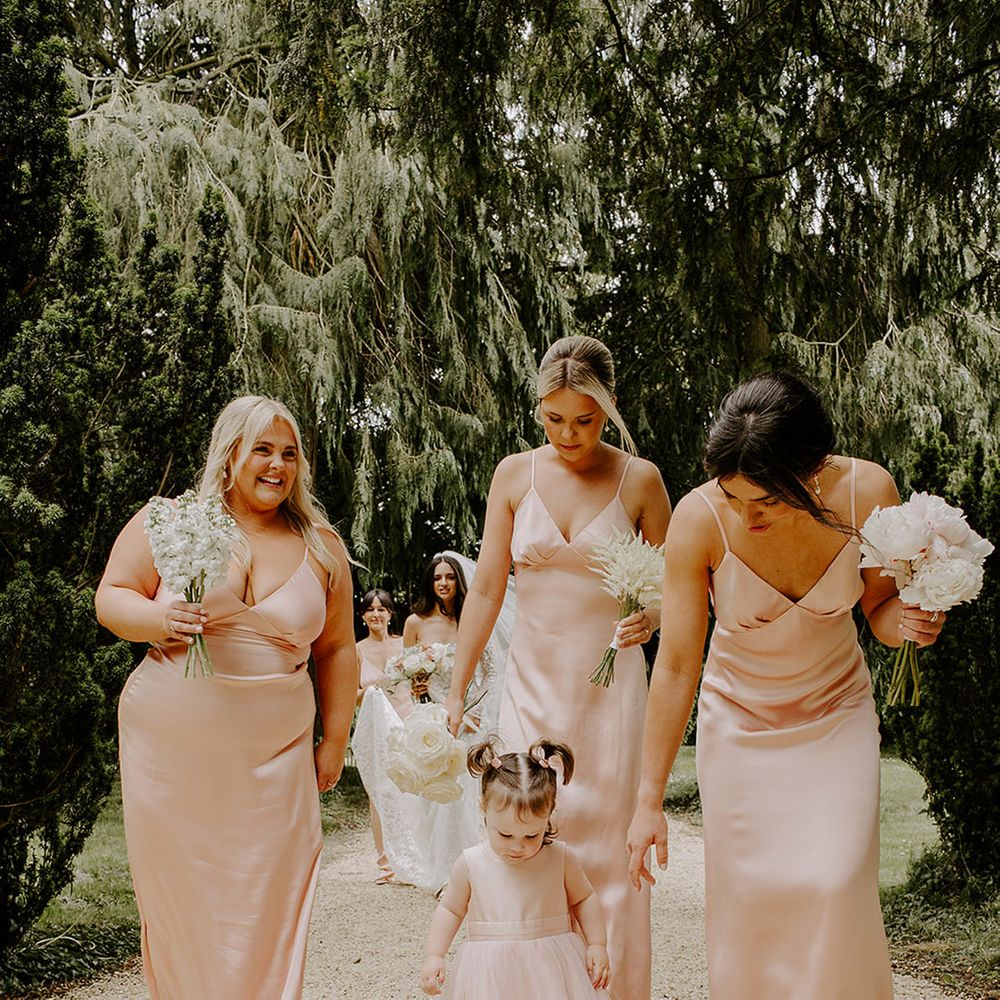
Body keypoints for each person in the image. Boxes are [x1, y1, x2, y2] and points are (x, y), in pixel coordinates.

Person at [626, 372, 947, 999]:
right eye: (734, 496)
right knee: (753, 906)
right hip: (738, 727)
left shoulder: (867, 490)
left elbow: (878, 613)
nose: (747, 516)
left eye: (767, 502)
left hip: (837, 716)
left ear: (815, 468)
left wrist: (909, 620)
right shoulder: (697, 520)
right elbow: (676, 665)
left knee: (836, 884)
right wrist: (648, 800)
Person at [95, 395, 358, 1000]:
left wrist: (335, 739)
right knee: (184, 906)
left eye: (289, 454)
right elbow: (111, 596)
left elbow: (338, 649)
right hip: (173, 755)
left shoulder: (321, 543)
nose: (277, 466)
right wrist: (161, 618)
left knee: (272, 895)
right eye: (262, 450)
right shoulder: (173, 517)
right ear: (231, 451)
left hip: (276, 759)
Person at [445, 334, 672, 999]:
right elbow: (486, 588)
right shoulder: (514, 474)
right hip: (530, 689)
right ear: (538, 406)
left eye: (585, 419)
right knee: (527, 842)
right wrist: (459, 688)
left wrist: (649, 617)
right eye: (554, 418)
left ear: (609, 409)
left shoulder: (642, 480)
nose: (569, 433)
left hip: (612, 697)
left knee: (606, 851)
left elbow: (674, 588)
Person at [420, 737, 611, 999]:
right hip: (491, 972)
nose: (517, 847)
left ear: (549, 813)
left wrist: (597, 944)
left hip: (553, 968)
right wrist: (435, 955)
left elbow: (584, 898)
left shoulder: (560, 858)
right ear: (483, 808)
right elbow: (451, 909)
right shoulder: (471, 863)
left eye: (531, 836)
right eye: (505, 835)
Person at [355, 588, 407, 883]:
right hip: (377, 728)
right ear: (363, 616)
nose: (376, 614)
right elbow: (352, 694)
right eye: (370, 609)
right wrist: (374, 690)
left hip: (408, 721)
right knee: (380, 791)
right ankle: (385, 860)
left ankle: (415, 854)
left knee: (412, 790)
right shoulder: (358, 650)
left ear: (390, 614)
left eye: (381, 609)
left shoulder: (405, 645)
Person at [403, 553, 468, 649]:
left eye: (451, 577)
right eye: (436, 578)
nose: (443, 583)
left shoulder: (468, 622)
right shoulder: (414, 623)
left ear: (459, 581)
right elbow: (406, 661)